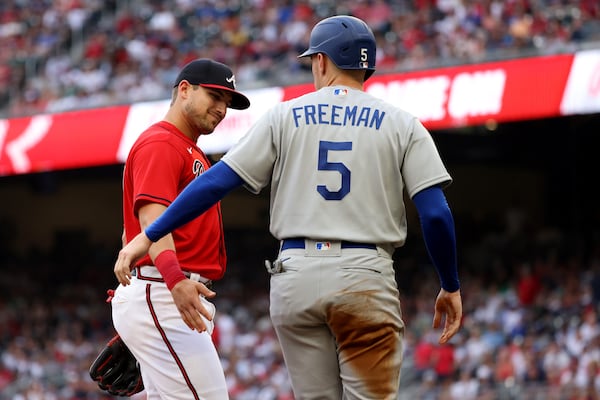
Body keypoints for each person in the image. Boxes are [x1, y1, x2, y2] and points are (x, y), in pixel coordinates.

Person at [115, 15, 462, 400]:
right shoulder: (404, 124)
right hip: (364, 275)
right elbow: (435, 213)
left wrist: (147, 236)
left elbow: (215, 184)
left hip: (295, 277)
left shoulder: (285, 115)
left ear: (322, 62)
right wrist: (449, 283)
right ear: (366, 67)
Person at [110, 58, 250, 399]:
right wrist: (172, 281)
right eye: (215, 96)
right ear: (185, 90)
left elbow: (132, 234)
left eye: (227, 103)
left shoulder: (189, 148)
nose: (221, 108)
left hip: (162, 294)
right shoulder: (162, 143)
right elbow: (152, 223)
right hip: (165, 290)